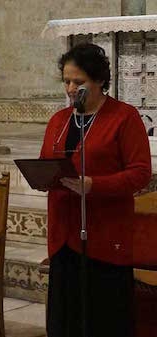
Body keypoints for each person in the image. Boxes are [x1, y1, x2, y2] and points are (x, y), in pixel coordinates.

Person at [40, 43, 152, 337]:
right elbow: (46, 163)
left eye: (78, 82)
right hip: (63, 235)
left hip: (104, 235)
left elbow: (140, 173)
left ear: (100, 80)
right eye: (66, 81)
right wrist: (41, 176)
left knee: (102, 320)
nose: (70, 89)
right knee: (66, 320)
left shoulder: (123, 117)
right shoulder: (59, 120)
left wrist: (94, 185)